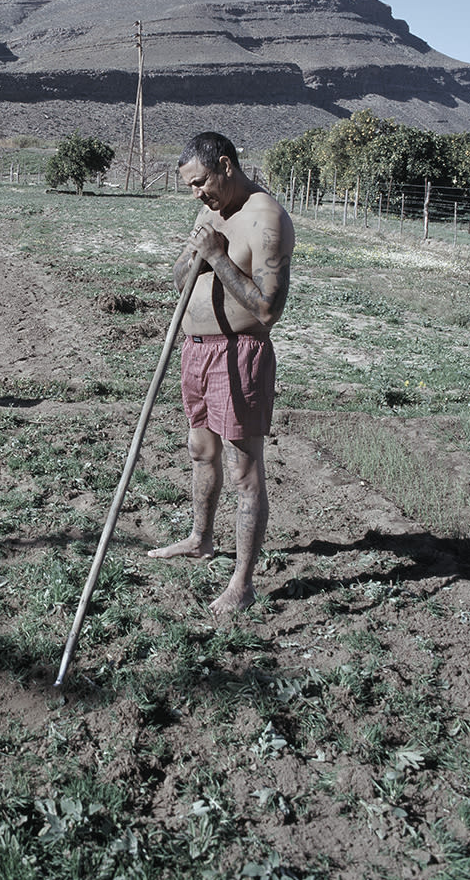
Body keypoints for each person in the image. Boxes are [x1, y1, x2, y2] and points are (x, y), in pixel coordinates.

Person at [148, 132, 295, 612]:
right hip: (195, 351)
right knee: (200, 450)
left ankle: (242, 583)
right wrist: (192, 258)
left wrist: (216, 257)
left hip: (239, 354)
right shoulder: (210, 211)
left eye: (201, 183)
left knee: (243, 470)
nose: (197, 194)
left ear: (226, 166)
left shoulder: (266, 218)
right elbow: (180, 279)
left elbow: (268, 309)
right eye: (191, 186)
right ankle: (200, 538)